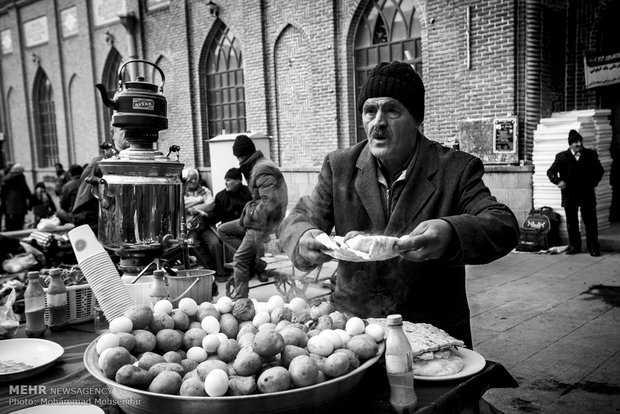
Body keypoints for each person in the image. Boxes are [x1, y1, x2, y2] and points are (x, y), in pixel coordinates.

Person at [278, 61, 519, 348]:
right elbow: (300, 217)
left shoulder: (455, 169)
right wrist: (304, 237)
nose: (378, 122)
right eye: (370, 111)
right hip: (355, 329)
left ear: (416, 119)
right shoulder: (339, 166)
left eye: (392, 110)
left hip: (431, 329)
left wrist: (450, 231)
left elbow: (502, 224)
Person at [217, 135, 288, 299]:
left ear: (241, 155)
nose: (238, 161)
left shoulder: (261, 168)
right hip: (257, 220)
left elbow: (268, 203)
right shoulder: (257, 165)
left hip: (264, 223)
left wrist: (249, 214)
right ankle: (256, 261)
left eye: (237, 157)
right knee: (223, 230)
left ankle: (241, 299)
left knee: (240, 259)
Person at [547, 129, 605, 256]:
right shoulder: (561, 157)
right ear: (570, 144)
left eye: (580, 141)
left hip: (587, 194)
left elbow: (600, 171)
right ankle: (574, 246)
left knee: (590, 222)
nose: (579, 144)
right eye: (575, 142)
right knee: (572, 222)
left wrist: (592, 184)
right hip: (570, 195)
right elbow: (550, 172)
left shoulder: (590, 154)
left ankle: (593, 247)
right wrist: (558, 181)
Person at [72, 126, 129, 236]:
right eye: (123, 128)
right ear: (113, 133)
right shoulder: (99, 165)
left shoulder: (145, 163)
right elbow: (82, 215)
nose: (128, 131)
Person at [202, 167, 252, 281]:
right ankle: (251, 261)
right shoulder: (221, 196)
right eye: (225, 180)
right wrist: (206, 216)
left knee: (253, 235)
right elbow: (216, 216)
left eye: (229, 180)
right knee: (222, 232)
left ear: (239, 181)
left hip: (248, 227)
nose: (225, 183)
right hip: (229, 231)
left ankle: (254, 265)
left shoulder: (249, 193)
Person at [182, 167, 215, 270]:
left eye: (195, 178)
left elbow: (210, 204)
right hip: (189, 228)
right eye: (190, 178)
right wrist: (199, 199)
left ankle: (220, 272)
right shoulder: (181, 191)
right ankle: (204, 271)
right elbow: (182, 204)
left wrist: (194, 209)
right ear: (185, 179)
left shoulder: (205, 190)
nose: (193, 181)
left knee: (215, 243)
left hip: (204, 225)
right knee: (192, 245)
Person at [0, 163, 32, 231]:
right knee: (19, 221)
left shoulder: (7, 177)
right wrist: (30, 197)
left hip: (9, 200)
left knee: (10, 219)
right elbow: (24, 188)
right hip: (19, 200)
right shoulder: (20, 176)